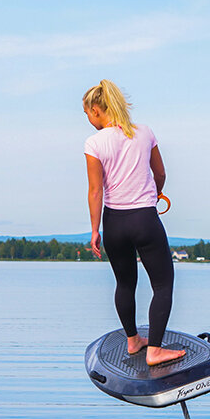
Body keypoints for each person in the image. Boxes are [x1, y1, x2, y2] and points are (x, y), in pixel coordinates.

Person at [83, 80, 185, 366]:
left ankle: (132, 340)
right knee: (163, 285)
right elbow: (160, 173)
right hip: (144, 218)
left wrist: (94, 229)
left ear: (96, 110)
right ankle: (154, 349)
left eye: (87, 114)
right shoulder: (144, 133)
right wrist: (157, 192)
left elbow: (95, 190)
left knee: (125, 284)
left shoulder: (94, 143)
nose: (88, 120)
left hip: (114, 222)